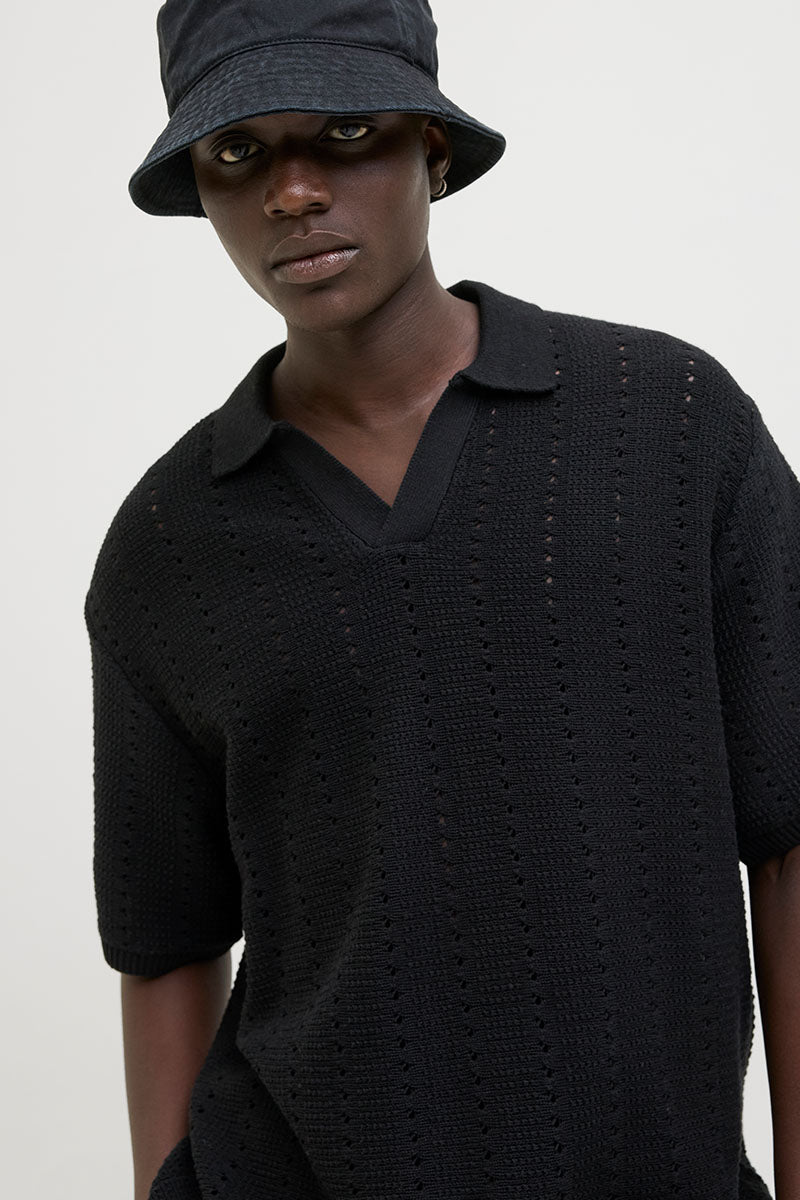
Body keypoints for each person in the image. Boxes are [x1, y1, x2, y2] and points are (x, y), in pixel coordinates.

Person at [84, 1, 800, 1198]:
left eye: (344, 131)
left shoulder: (671, 429)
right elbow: (163, 942)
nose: (291, 191)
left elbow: (785, 840)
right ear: (199, 188)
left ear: (430, 146)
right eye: (238, 151)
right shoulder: (168, 544)